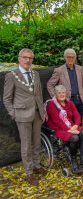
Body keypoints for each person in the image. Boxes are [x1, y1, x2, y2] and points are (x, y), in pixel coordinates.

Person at [3, 48, 47, 185]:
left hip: (36, 114)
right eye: (25, 57)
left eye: (30, 58)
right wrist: (14, 114)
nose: (28, 60)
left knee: (36, 142)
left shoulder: (35, 74)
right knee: (26, 144)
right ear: (19, 59)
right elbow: (6, 98)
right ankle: (29, 172)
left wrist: (42, 112)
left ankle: (37, 166)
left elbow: (39, 94)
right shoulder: (12, 75)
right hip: (22, 115)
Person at [45, 85, 83, 174]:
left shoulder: (69, 103)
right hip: (57, 128)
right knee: (75, 138)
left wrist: (76, 126)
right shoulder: (51, 104)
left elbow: (77, 116)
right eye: (59, 93)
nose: (62, 94)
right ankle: (74, 161)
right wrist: (69, 130)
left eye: (63, 92)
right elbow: (56, 121)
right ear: (55, 94)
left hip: (71, 126)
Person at [47, 48, 83, 121]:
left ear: (75, 58)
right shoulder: (59, 70)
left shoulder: (80, 69)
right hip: (67, 101)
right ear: (64, 57)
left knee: (79, 122)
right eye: (68, 57)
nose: (70, 59)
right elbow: (50, 84)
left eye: (72, 57)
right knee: (68, 123)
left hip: (80, 100)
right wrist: (56, 98)